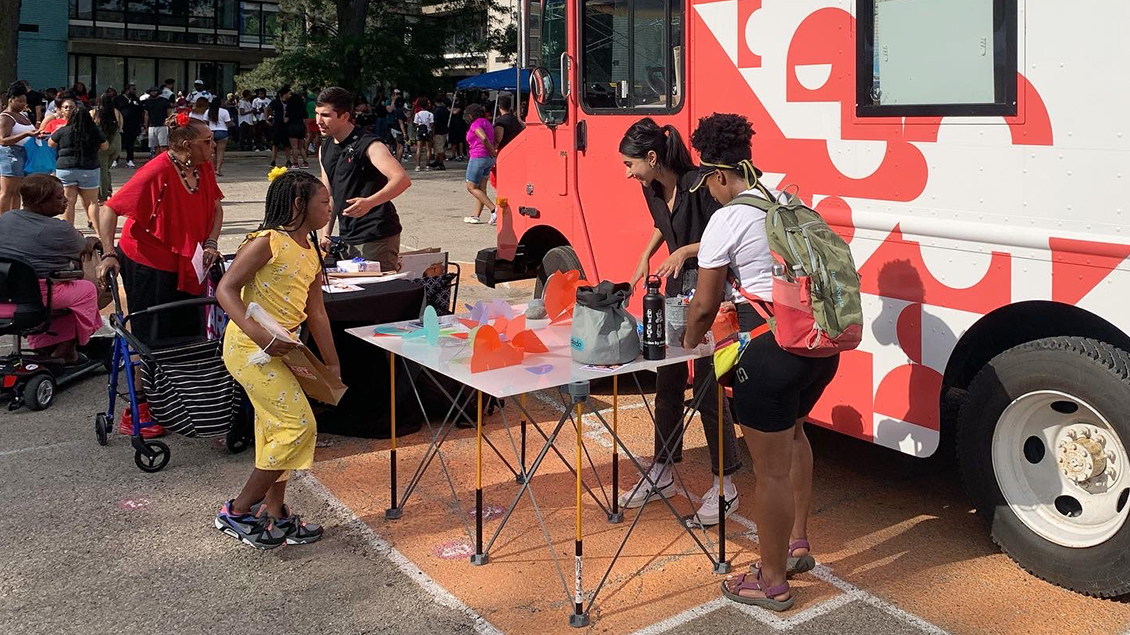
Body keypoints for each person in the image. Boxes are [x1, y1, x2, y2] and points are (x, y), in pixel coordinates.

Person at [681, 113, 839, 612]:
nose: (708, 191)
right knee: (795, 436)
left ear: (720, 175)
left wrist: (687, 344)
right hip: (817, 346)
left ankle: (771, 581)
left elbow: (704, 306)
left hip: (768, 354)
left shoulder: (725, 219)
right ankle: (797, 543)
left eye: (707, 181)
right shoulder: (786, 200)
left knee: (768, 472)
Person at [615, 118, 744, 524]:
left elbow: (724, 237)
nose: (627, 173)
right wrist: (644, 255)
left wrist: (685, 251)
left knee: (708, 387)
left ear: (652, 158)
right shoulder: (651, 188)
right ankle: (663, 470)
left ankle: (726, 486)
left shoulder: (699, 184)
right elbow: (661, 222)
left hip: (709, 289)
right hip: (673, 291)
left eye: (630, 164)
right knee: (667, 381)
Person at [213, 170, 338, 549]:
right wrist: (261, 336)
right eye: (324, 202)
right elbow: (226, 289)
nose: (330, 207)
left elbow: (316, 312)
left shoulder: (311, 250)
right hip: (250, 350)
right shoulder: (267, 242)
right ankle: (237, 511)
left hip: (282, 347)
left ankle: (275, 512)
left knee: (273, 429)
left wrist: (331, 365)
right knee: (297, 426)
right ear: (299, 205)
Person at [95, 113, 224, 345]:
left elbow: (216, 208)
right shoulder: (157, 170)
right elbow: (109, 209)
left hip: (187, 261)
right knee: (153, 334)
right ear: (187, 145)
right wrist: (108, 252)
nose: (213, 145)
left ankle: (181, 376)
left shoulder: (202, 167)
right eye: (207, 141)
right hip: (148, 263)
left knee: (188, 331)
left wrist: (211, 242)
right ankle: (148, 378)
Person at [0, 174, 100, 363]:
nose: (66, 200)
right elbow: (82, 248)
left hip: (5, 290)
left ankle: (45, 345)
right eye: (59, 197)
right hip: (38, 294)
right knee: (88, 290)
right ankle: (66, 351)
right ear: (40, 202)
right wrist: (92, 241)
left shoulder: (6, 218)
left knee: (67, 299)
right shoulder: (59, 230)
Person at [315, 86, 411, 273]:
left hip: (376, 234)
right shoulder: (324, 148)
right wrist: (326, 233)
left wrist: (369, 202)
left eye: (326, 115)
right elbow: (328, 194)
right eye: (317, 114)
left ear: (344, 116)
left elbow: (401, 179)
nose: (319, 121)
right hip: (346, 236)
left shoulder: (369, 144)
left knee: (377, 295)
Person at [49, 103, 107, 229]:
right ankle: (98, 231)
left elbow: (50, 143)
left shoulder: (63, 131)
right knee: (92, 202)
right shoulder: (94, 131)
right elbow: (105, 146)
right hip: (89, 168)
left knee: (69, 202)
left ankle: (69, 231)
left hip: (66, 168)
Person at [1, 82, 44, 214]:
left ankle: (14, 218)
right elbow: (2, 140)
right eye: (19, 101)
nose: (23, 104)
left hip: (26, 154)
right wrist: (25, 134)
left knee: (18, 192)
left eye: (24, 101)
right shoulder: (5, 117)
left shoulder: (23, 115)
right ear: (11, 99)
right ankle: (2, 221)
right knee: (7, 192)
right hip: (11, 155)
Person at [462, 103, 497, 225]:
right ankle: (476, 216)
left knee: (471, 187)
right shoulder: (487, 123)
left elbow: (483, 138)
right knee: (481, 188)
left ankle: (494, 209)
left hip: (478, 156)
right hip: (488, 159)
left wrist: (492, 150)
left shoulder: (475, 124)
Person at [93, 94, 123, 202]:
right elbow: (120, 127)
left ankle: (102, 195)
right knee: (107, 169)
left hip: (102, 144)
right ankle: (108, 190)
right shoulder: (117, 112)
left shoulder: (94, 113)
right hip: (116, 143)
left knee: (102, 171)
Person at [192, 97, 233, 176]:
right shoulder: (224, 111)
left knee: (212, 152)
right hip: (222, 131)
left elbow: (205, 122)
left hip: (211, 131)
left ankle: (212, 169)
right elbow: (228, 122)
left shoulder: (208, 111)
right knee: (220, 152)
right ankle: (218, 169)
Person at [115, 84, 143, 168]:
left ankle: (130, 160)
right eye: (133, 89)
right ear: (127, 90)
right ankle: (115, 160)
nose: (134, 91)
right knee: (119, 143)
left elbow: (141, 111)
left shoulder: (136, 100)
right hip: (122, 125)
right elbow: (115, 111)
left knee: (130, 144)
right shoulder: (119, 99)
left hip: (133, 125)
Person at [268, 86, 296, 168]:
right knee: (275, 143)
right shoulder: (276, 102)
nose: (290, 95)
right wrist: (267, 119)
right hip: (277, 124)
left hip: (287, 125)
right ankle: (273, 160)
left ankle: (288, 160)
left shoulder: (290, 102)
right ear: (284, 94)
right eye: (289, 93)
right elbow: (268, 109)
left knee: (287, 144)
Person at [142, 86, 172, 155]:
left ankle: (164, 159)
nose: (153, 92)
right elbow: (146, 115)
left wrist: (168, 123)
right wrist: (146, 127)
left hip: (163, 125)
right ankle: (157, 160)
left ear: (158, 92)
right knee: (155, 146)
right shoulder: (147, 102)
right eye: (152, 91)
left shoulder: (164, 101)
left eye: (155, 91)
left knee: (163, 145)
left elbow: (169, 113)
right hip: (152, 126)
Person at [287, 89, 311, 169]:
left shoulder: (289, 108)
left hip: (292, 127)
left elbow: (286, 119)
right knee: (301, 147)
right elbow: (305, 121)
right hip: (301, 127)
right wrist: (307, 131)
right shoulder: (302, 109)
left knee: (294, 147)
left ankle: (295, 163)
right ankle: (305, 162)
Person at [412, 99, 434, 172]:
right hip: (428, 131)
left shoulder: (417, 114)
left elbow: (416, 124)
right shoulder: (430, 114)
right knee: (428, 149)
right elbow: (431, 124)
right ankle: (427, 165)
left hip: (419, 132)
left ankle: (418, 166)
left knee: (419, 148)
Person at [428, 96, 449, 171]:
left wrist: (432, 132)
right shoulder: (445, 109)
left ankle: (441, 163)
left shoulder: (436, 111)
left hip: (438, 131)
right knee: (441, 146)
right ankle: (437, 161)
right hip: (444, 130)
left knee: (439, 147)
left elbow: (434, 123)